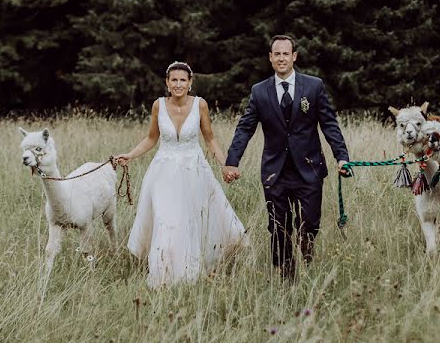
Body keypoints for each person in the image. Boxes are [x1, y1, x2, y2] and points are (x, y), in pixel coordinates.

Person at [223, 35, 349, 280]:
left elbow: (329, 125)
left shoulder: (313, 86)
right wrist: (232, 160)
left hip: (309, 168)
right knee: (278, 227)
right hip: (275, 171)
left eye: (285, 54)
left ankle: (307, 252)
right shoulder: (259, 92)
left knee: (310, 223)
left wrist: (341, 157)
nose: (281, 58)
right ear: (270, 58)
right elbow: (245, 128)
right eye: (276, 54)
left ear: (294, 57)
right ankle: (286, 275)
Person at [116, 61, 248, 288]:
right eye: (174, 80)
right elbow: (151, 138)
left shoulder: (201, 105)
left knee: (189, 222)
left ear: (190, 83)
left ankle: (190, 274)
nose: (178, 84)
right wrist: (130, 155)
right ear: (167, 83)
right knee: (166, 221)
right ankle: (163, 277)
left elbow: (209, 139)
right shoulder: (158, 105)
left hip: (194, 172)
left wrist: (226, 165)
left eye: (183, 80)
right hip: (163, 173)